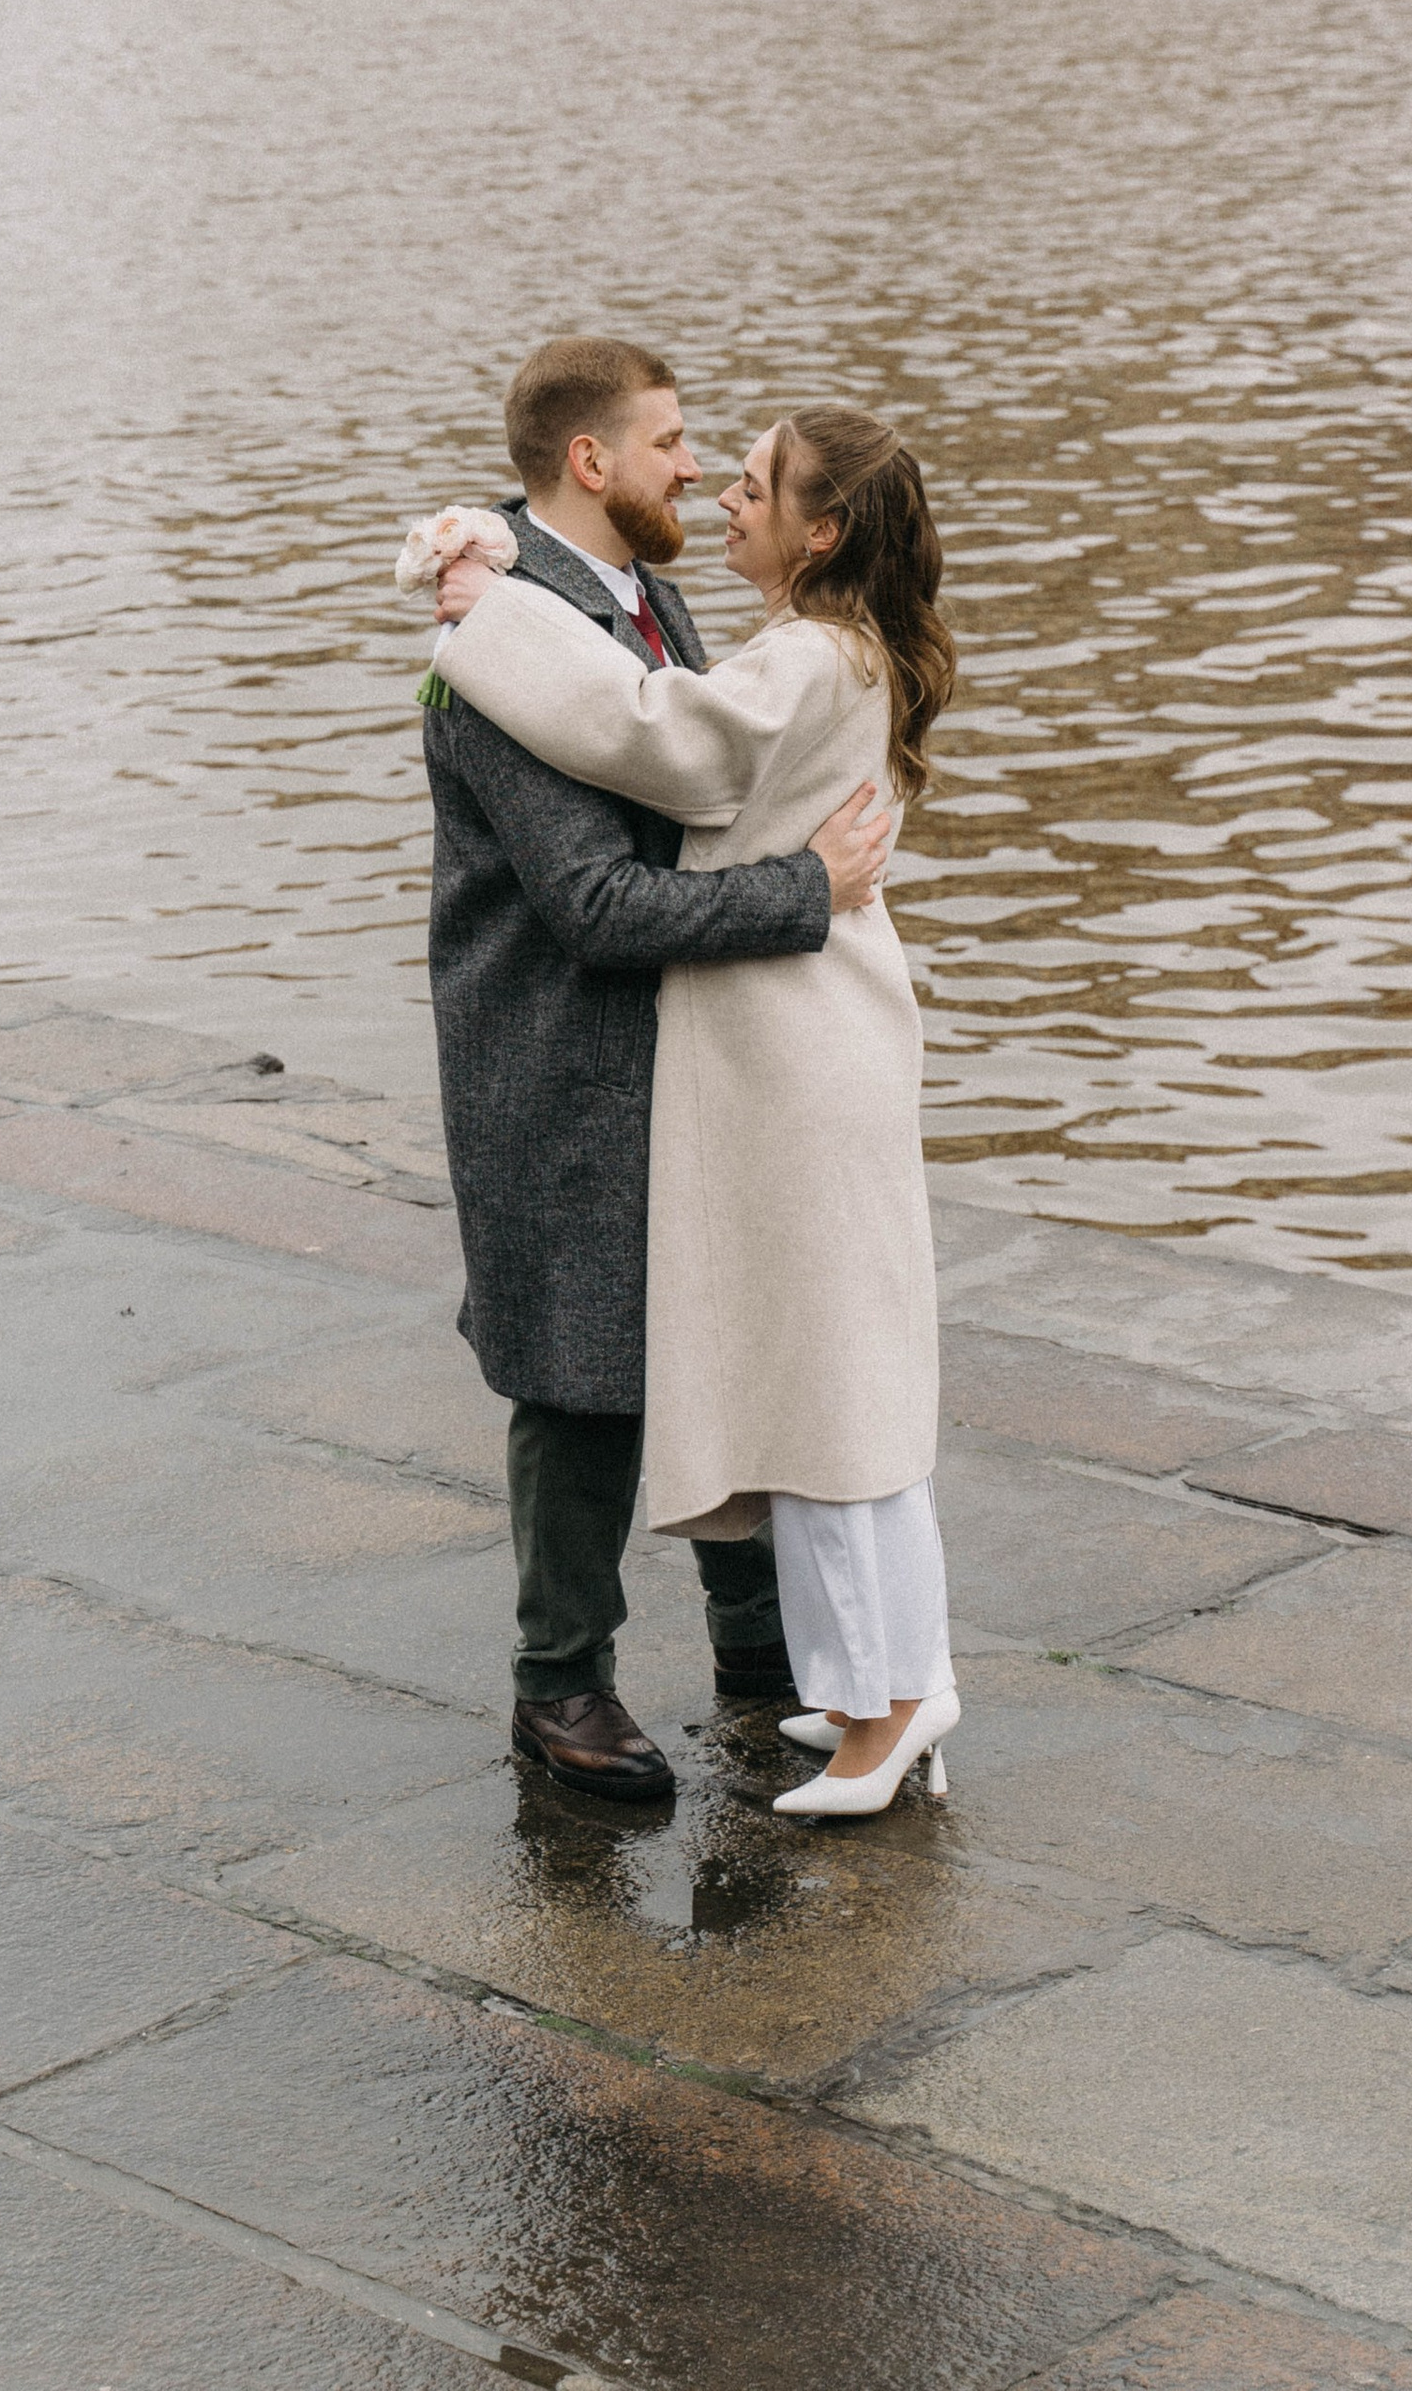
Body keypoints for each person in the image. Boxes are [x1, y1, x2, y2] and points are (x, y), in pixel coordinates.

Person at [432, 403, 960, 1818]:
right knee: (715, 1369)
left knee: (818, 1371)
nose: (709, 479)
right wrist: (490, 616)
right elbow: (605, 875)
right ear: (591, 459)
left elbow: (664, 738)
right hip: (651, 1046)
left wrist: (489, 610)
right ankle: (655, 1676)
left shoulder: (776, 643)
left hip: (779, 1042)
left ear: (822, 531)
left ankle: (862, 1684)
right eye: (680, 444)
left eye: (750, 480)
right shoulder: (792, 639)